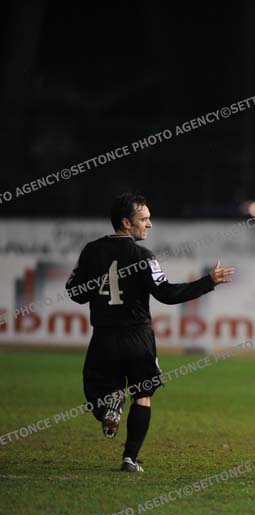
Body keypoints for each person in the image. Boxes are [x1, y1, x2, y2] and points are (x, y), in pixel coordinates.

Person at [66, 193, 235, 473]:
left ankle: (109, 406)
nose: (150, 224)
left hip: (104, 337)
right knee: (143, 395)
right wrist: (208, 282)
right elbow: (166, 294)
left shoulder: (91, 251)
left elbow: (74, 292)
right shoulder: (143, 257)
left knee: (97, 392)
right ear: (126, 222)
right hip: (138, 338)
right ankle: (130, 459)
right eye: (144, 219)